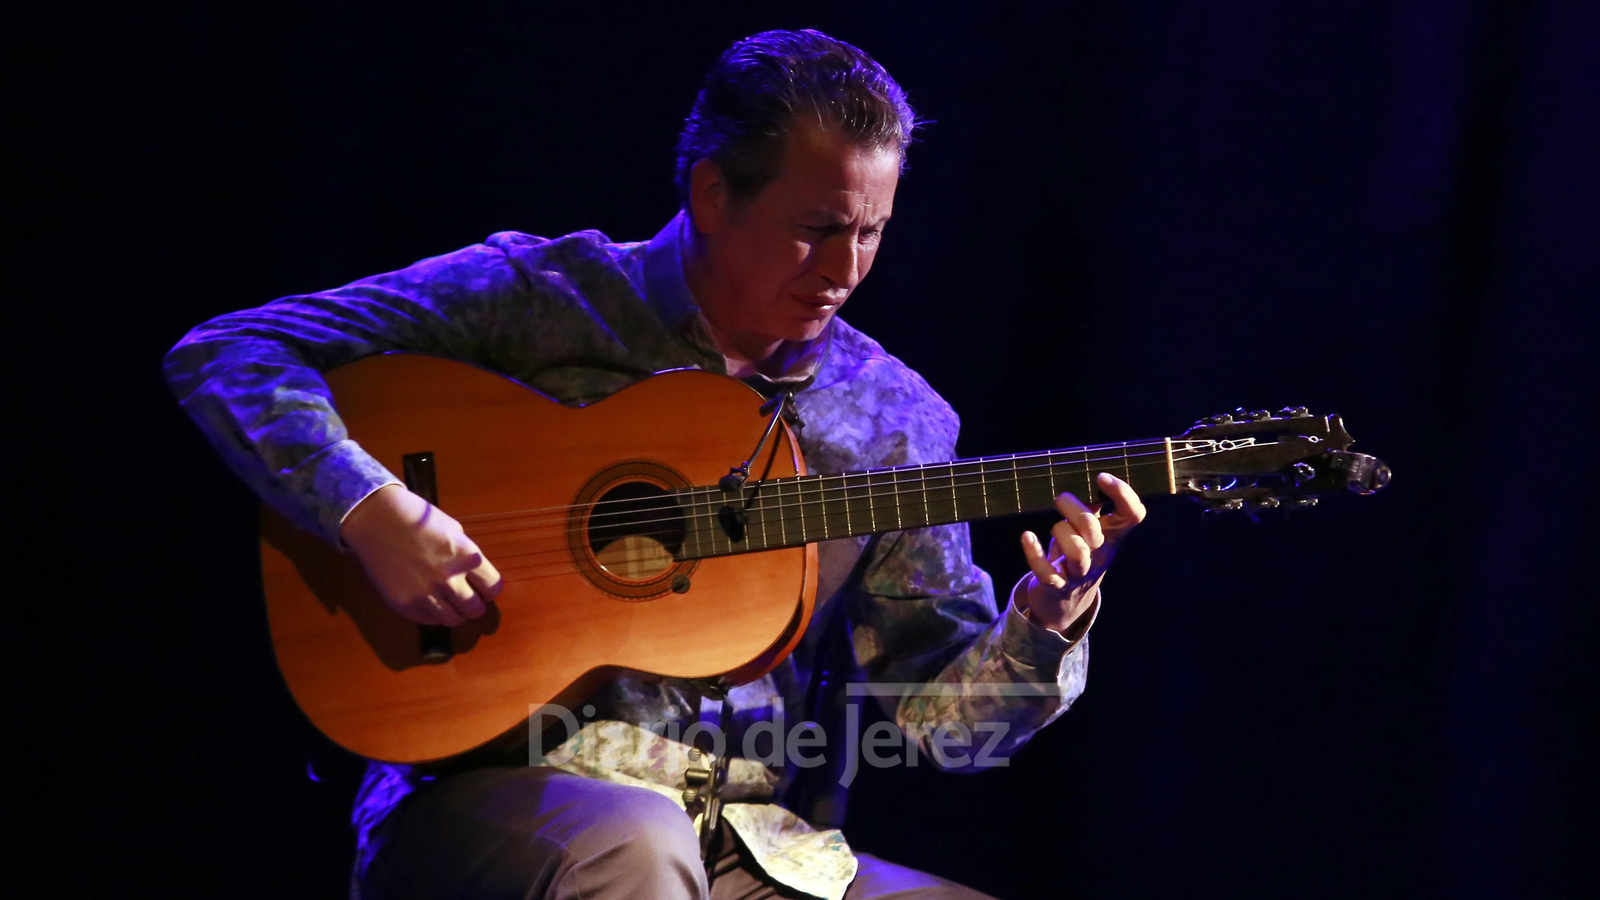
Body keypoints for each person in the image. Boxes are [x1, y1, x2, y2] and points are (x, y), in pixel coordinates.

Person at [165, 28, 1146, 900]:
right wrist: (370, 508)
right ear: (711, 191)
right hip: (490, 791)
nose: (845, 269)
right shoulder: (544, 296)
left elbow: (952, 734)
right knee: (635, 849)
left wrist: (1045, 623)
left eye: (872, 232)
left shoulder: (895, 417)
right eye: (817, 228)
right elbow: (230, 353)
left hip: (758, 844)